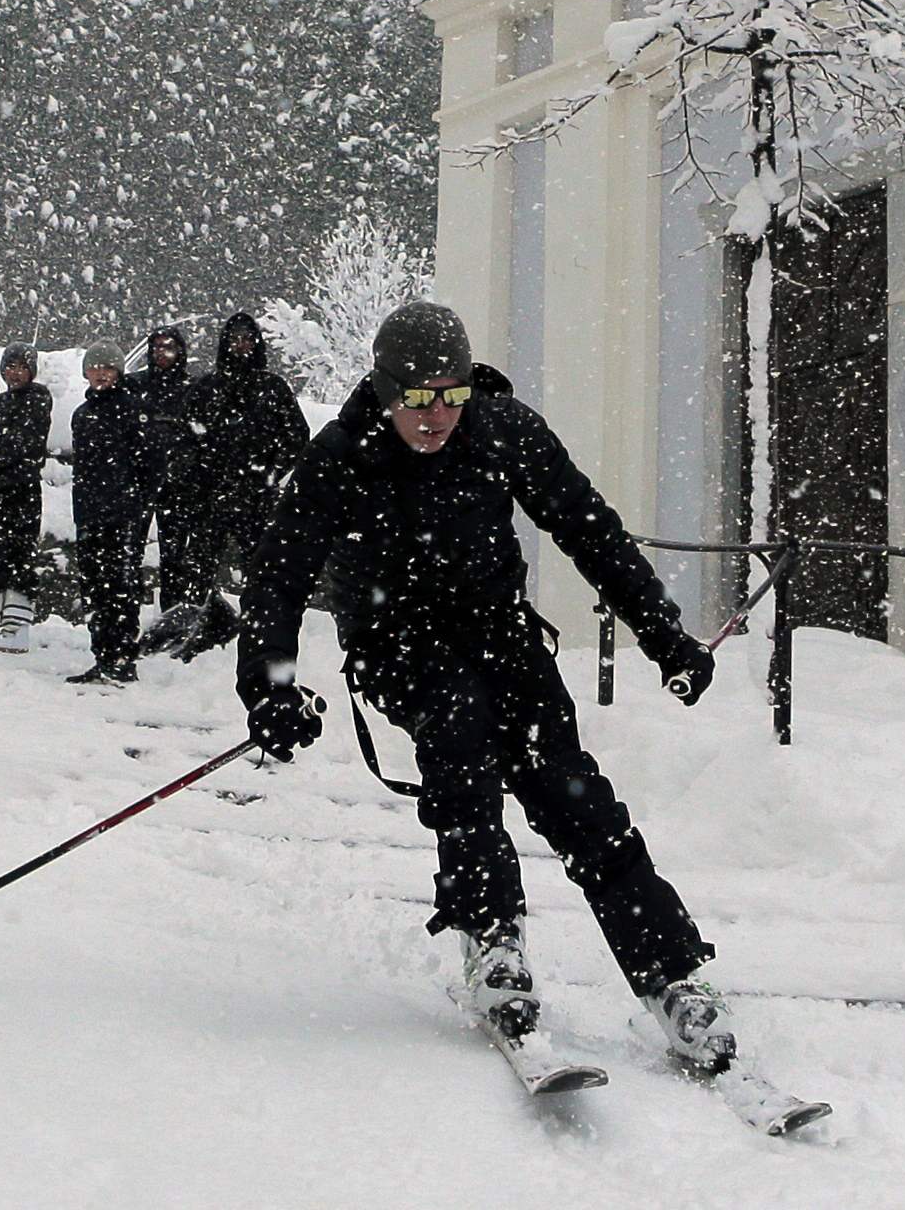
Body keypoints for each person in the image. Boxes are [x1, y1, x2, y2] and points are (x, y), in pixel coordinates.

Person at [238, 301, 735, 1072]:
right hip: (397, 643)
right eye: (417, 398)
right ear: (383, 389)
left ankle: (673, 976)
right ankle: (493, 940)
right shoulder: (341, 455)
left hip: (498, 632)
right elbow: (278, 577)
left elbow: (590, 531)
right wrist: (269, 688)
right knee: (462, 752)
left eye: (452, 395)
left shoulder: (504, 430)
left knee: (574, 795)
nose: (435, 416)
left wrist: (663, 634)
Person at [155, 310, 308, 657]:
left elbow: (297, 435)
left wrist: (269, 472)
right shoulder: (207, 388)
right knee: (197, 570)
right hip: (211, 495)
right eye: (234, 340)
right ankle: (190, 633)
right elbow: (186, 439)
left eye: (247, 339)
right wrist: (197, 476)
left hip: (255, 496)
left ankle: (263, 634)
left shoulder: (272, 388)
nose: (241, 346)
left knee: (263, 570)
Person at [64, 346, 148, 684]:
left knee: (120, 587)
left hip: (122, 514)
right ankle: (103, 654)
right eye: (94, 367)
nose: (101, 374)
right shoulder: (82, 414)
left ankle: (123, 658)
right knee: (94, 588)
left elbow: (148, 463)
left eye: (107, 368)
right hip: (89, 513)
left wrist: (134, 500)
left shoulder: (131, 410)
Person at [0, 346, 53, 633]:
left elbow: (23, 446)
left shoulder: (37, 402)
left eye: (21, 367)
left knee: (19, 556)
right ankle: (0, 619)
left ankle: (17, 624)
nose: (15, 373)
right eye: (11, 366)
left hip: (20, 492)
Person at [130, 325, 205, 622]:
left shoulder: (193, 389)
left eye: (168, 347)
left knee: (174, 556)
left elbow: (203, 435)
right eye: (157, 347)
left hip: (179, 481)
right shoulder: (135, 385)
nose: (162, 353)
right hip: (140, 477)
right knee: (130, 550)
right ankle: (126, 616)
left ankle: (171, 618)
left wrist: (187, 463)